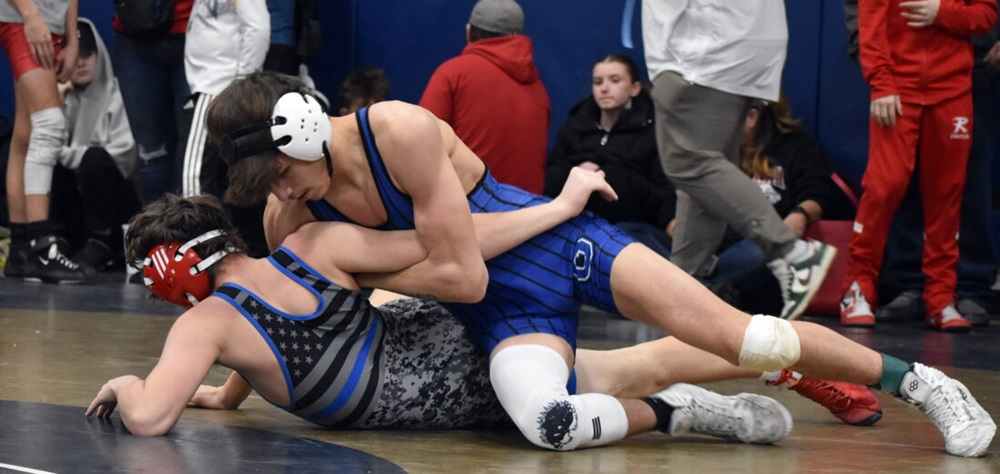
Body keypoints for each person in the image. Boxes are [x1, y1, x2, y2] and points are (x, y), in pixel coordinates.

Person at [205, 71, 994, 457]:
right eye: (262, 184)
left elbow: (462, 275)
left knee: (748, 336)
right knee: (547, 426)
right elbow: (288, 309)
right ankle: (689, 408)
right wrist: (233, 390)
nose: (279, 191)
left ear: (306, 127)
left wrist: (362, 269)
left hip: (559, 251)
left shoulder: (399, 132)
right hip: (504, 318)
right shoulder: (289, 212)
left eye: (279, 171)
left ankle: (924, 383)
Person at [87, 190, 795, 446]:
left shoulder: (204, 323)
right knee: (623, 365)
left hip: (426, 386)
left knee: (617, 377)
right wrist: (554, 209)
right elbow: (448, 241)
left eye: (148, 275)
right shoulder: (311, 246)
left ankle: (682, 410)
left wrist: (126, 383)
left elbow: (150, 418)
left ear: (170, 269)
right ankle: (782, 354)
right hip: (437, 332)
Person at [641, 1, 838, 322]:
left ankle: (790, 251)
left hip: (700, 53)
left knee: (687, 161)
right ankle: (683, 295)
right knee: (702, 178)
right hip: (740, 46)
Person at [841, 0, 997, 331]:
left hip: (954, 89)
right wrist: (881, 83)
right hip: (898, 90)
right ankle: (858, 288)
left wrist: (942, 12)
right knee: (884, 188)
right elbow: (869, 20)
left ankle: (941, 298)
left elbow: (986, 15)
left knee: (947, 193)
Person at [708, 94, 856, 315]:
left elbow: (816, 193)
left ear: (751, 117)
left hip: (760, 250)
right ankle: (713, 289)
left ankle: (707, 289)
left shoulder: (795, 146)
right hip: (714, 251)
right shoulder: (711, 153)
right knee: (653, 243)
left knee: (762, 252)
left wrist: (797, 218)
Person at [543, 53, 675, 259]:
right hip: (577, 223)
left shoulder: (656, 131)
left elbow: (665, 194)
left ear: (635, 88)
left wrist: (611, 176)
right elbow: (549, 176)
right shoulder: (575, 126)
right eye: (598, 82)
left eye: (615, 80)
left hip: (635, 228)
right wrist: (575, 172)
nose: (604, 89)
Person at [418, 0, 548, 194]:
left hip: (468, 206)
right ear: (516, 36)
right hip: (531, 208)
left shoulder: (453, 73)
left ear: (469, 31)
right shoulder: (538, 87)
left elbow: (419, 141)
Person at [1, 0, 89, 283]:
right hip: (21, 16)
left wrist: (71, 37)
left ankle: (20, 250)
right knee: (49, 124)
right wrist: (30, 15)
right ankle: (41, 247)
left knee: (26, 132)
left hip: (50, 19)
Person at [47, 18, 141, 272]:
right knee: (48, 159)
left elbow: (123, 158)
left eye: (87, 54)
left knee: (95, 159)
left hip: (117, 212)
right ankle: (60, 238)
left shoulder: (119, 94)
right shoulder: (62, 98)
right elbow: (45, 150)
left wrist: (68, 154)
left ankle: (103, 243)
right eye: (75, 56)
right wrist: (57, 105)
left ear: (99, 56)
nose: (80, 63)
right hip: (78, 210)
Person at [178, 0, 270, 257]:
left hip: (216, 86)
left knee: (194, 176)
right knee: (237, 176)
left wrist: (240, 86)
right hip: (217, 84)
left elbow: (258, 28)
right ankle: (242, 253)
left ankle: (201, 251)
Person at [111, 0, 193, 204]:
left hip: (198, 31)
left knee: (198, 154)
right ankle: (159, 225)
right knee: (152, 155)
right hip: (134, 33)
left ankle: (205, 223)